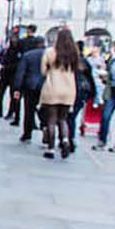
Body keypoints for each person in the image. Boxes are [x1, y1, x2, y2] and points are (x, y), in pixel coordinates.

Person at [39, 27, 79, 159]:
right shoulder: (74, 53)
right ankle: (65, 140)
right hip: (69, 90)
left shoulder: (50, 52)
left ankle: (51, 149)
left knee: (51, 120)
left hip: (52, 88)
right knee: (63, 119)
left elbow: (43, 71)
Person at [14, 33, 46, 143]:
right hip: (46, 86)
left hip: (30, 86)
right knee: (46, 110)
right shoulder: (50, 55)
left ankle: (27, 134)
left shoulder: (28, 55)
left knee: (29, 110)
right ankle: (45, 128)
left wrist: (17, 88)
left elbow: (20, 73)